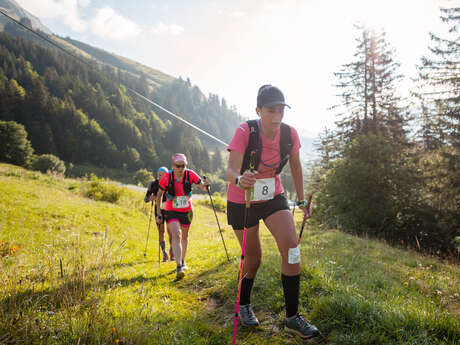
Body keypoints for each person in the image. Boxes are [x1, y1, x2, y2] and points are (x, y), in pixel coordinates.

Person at [226, 85, 320, 340]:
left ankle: (292, 317)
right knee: (253, 259)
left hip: (272, 196)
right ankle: (244, 304)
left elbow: (297, 169)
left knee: (291, 248)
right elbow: (231, 169)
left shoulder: (289, 134)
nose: (277, 116)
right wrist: (239, 179)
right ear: (259, 110)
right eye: (271, 111)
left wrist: (302, 203)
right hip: (241, 199)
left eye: (281, 110)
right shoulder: (246, 131)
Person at [156, 153, 209, 280]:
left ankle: (183, 261)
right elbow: (159, 195)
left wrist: (206, 185)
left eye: (183, 166)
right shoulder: (167, 177)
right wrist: (159, 212)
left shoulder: (190, 174)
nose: (180, 168)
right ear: (173, 166)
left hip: (187, 210)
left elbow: (202, 186)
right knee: (176, 234)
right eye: (178, 166)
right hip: (171, 210)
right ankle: (179, 266)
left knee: (184, 236)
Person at [144, 167, 174, 262]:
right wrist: (150, 198)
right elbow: (146, 198)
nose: (161, 176)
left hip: (169, 209)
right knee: (161, 232)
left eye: (163, 174)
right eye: (159, 174)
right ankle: (164, 253)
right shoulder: (153, 184)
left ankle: (172, 251)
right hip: (158, 210)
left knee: (170, 231)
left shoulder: (170, 183)